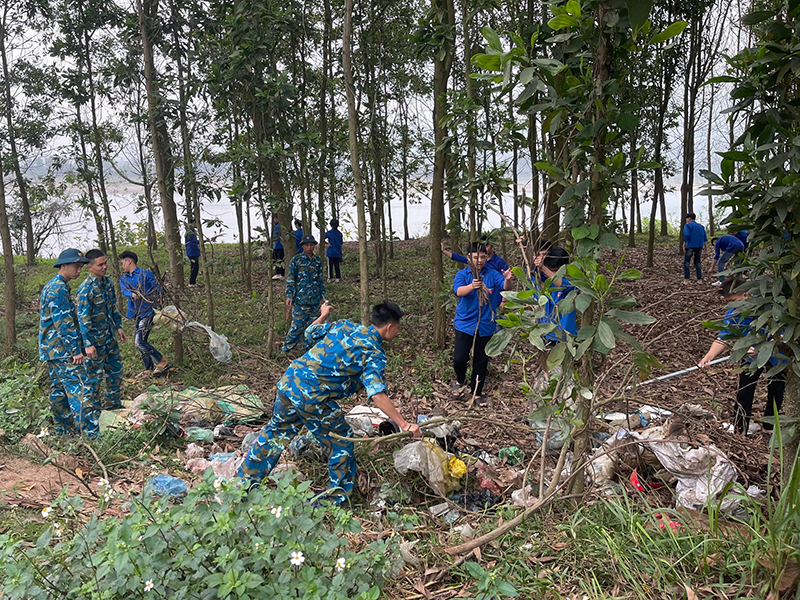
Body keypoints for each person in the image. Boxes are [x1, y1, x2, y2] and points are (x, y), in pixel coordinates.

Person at [238, 301, 422, 505]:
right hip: (313, 397)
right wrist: (405, 425)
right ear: (389, 327)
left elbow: (309, 333)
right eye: (398, 327)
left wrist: (323, 315)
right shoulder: (373, 353)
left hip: (290, 383)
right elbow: (377, 393)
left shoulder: (344, 325)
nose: (397, 331)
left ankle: (243, 486)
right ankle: (336, 501)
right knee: (341, 442)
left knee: (275, 433)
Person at [698, 276, 784, 434]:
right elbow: (724, 337)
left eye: (733, 300)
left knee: (776, 389)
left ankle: (769, 426)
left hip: (777, 354)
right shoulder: (733, 313)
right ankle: (740, 427)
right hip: (749, 355)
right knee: (745, 389)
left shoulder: (771, 307)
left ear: (745, 296)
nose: (730, 304)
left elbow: (784, 333)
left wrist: (766, 347)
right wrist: (709, 356)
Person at [39, 248, 97, 437]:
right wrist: (75, 351)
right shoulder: (59, 289)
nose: (79, 271)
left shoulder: (54, 286)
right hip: (63, 351)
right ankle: (89, 435)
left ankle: (64, 431)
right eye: (76, 266)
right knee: (81, 388)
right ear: (64, 265)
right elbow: (64, 324)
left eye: (81, 267)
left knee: (59, 390)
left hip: (53, 350)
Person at [452, 242, 514, 406]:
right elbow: (458, 291)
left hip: (486, 324)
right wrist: (472, 286)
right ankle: (460, 380)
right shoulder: (462, 274)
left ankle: (476, 393)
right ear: (469, 258)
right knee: (460, 358)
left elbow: (506, 287)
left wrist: (508, 279)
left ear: (486, 257)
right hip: (464, 324)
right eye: (475, 257)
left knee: (481, 360)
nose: (479, 260)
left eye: (482, 256)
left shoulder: (493, 274)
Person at [77, 249, 128, 411]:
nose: (105, 267)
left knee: (115, 372)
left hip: (110, 338)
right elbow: (83, 319)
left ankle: (113, 405)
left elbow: (112, 308)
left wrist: (118, 327)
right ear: (90, 267)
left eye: (105, 263)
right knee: (94, 378)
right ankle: (93, 411)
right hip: (95, 342)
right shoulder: (86, 289)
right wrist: (88, 344)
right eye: (100, 265)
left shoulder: (108, 283)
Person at [119, 250, 170, 377]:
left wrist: (160, 297)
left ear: (129, 261)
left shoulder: (145, 274)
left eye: (123, 263)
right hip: (136, 313)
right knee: (141, 341)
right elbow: (124, 291)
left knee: (139, 342)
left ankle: (162, 361)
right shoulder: (124, 279)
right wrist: (132, 294)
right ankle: (148, 368)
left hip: (148, 311)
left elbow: (156, 287)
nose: (122, 266)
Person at [283, 234, 326, 353]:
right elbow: (291, 278)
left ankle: (307, 348)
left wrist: (322, 296)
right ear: (302, 246)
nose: (309, 247)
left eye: (311, 245)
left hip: (315, 299)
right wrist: (289, 295)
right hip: (300, 300)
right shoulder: (296, 260)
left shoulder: (317, 261)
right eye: (307, 245)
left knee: (312, 326)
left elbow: (320, 279)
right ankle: (287, 348)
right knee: (297, 326)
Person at [536, 248, 578, 345]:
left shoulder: (572, 282)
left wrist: (544, 268)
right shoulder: (546, 279)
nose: (552, 274)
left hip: (564, 335)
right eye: (551, 270)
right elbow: (530, 272)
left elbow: (561, 283)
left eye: (555, 271)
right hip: (546, 332)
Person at [441, 237, 509, 273]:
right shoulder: (474, 260)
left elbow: (505, 279)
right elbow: (459, 258)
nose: (479, 261)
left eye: (487, 246)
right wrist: (444, 251)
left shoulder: (500, 262)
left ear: (492, 246)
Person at [682, 213, 707, 285]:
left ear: (689, 219)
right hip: (699, 246)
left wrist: (684, 244)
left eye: (687, 219)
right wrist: (706, 249)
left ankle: (686, 279)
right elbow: (705, 238)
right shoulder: (701, 227)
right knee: (697, 262)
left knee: (687, 262)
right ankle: (699, 279)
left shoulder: (687, 225)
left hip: (690, 245)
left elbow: (687, 235)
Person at [326, 218, 343, 282]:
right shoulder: (339, 234)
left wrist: (327, 243)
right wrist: (341, 252)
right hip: (337, 252)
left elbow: (322, 238)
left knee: (330, 266)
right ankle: (338, 277)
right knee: (337, 265)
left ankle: (330, 278)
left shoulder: (328, 233)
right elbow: (341, 243)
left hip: (330, 252)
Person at [271, 215, 285, 280]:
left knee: (278, 259)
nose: (274, 220)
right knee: (278, 259)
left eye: (275, 219)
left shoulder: (278, 227)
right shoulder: (280, 226)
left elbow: (275, 237)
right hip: (279, 246)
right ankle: (281, 273)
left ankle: (279, 273)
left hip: (278, 246)